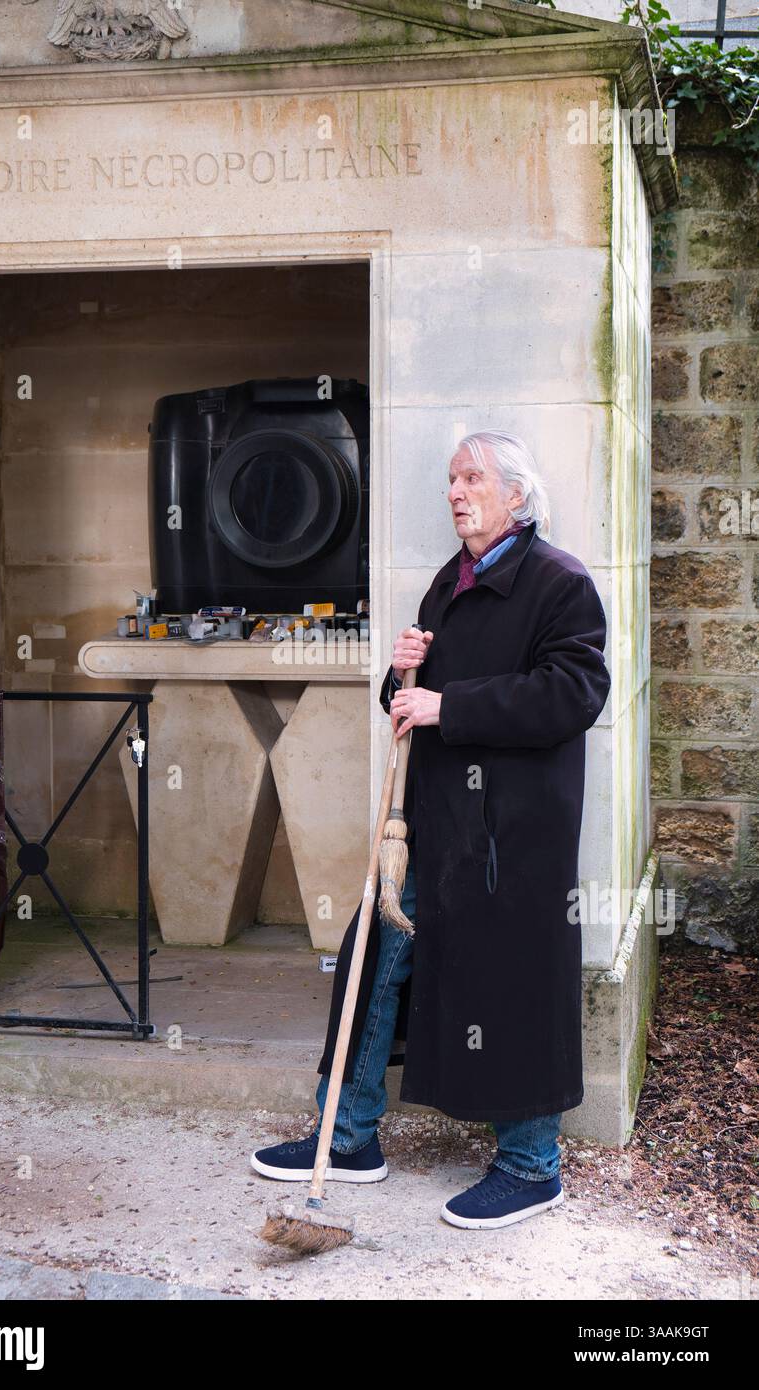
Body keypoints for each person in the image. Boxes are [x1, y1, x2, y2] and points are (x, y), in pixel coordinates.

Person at [251, 430, 611, 1229]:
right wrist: (403, 670)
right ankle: (346, 1137)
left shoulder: (559, 583)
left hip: (509, 837)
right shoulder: (450, 582)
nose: (456, 491)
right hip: (432, 827)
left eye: (473, 478)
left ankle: (531, 1165)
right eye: (451, 479)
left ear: (516, 495)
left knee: (510, 983)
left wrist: (450, 705)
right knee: (373, 957)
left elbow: (574, 693)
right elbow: (410, 702)